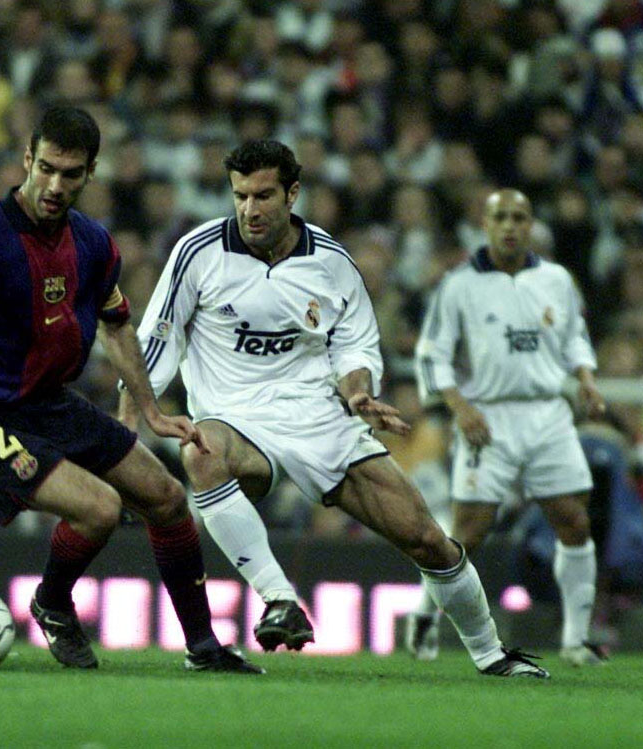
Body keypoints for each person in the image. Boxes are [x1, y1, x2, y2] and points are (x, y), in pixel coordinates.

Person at [119, 139, 548, 678]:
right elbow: (156, 340)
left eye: (263, 196)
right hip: (234, 417)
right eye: (240, 196)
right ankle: (278, 599)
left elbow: (356, 347)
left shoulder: (332, 263)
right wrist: (129, 423)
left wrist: (358, 393)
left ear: (293, 193)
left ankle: (492, 654)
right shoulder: (197, 252)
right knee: (201, 452)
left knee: (427, 540)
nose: (249, 210)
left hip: (320, 419)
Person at [0, 104, 262, 674]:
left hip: (49, 403)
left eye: (70, 174)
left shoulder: (92, 243)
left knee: (168, 498)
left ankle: (203, 647)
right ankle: (51, 603)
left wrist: (149, 408)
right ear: (26, 159)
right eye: (45, 168)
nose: (54, 184)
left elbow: (117, 322)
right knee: (99, 509)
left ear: (90, 174)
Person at [409, 188, 607, 667]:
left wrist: (585, 380)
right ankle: (423, 616)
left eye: (520, 217)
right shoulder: (459, 285)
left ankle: (575, 641)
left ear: (531, 223)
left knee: (574, 521)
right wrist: (461, 407)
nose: (511, 226)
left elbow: (576, 339)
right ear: (486, 224)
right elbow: (432, 354)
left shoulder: (557, 279)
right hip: (489, 416)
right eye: (501, 218)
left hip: (548, 414)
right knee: (469, 531)